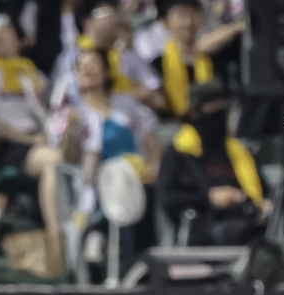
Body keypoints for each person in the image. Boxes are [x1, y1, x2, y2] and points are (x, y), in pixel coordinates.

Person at [0, 14, 65, 278]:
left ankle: (88, 240)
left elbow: (55, 115)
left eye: (5, 30)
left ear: (20, 39)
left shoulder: (34, 75)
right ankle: (59, 245)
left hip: (43, 141)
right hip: (8, 148)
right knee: (53, 162)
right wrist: (32, 140)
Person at [52, 48, 161, 259]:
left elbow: (150, 136)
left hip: (137, 175)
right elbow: (70, 159)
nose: (87, 70)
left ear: (107, 72)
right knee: (119, 183)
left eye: (93, 65)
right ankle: (127, 258)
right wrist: (71, 133)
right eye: (81, 68)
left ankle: (146, 258)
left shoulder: (126, 105)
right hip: (99, 183)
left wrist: (155, 166)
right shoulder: (74, 115)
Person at [158, 81, 266, 246]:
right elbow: (167, 198)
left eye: (224, 106)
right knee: (240, 234)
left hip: (247, 218)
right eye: (214, 106)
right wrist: (209, 198)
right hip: (205, 224)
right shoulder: (180, 151)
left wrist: (264, 203)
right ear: (196, 112)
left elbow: (265, 190)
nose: (220, 112)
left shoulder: (238, 151)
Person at [51, 0, 164, 110]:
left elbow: (158, 98)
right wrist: (132, 93)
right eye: (107, 12)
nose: (114, 18)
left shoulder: (126, 55)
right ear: (88, 23)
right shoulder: (72, 57)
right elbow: (71, 101)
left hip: (132, 119)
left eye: (116, 11)